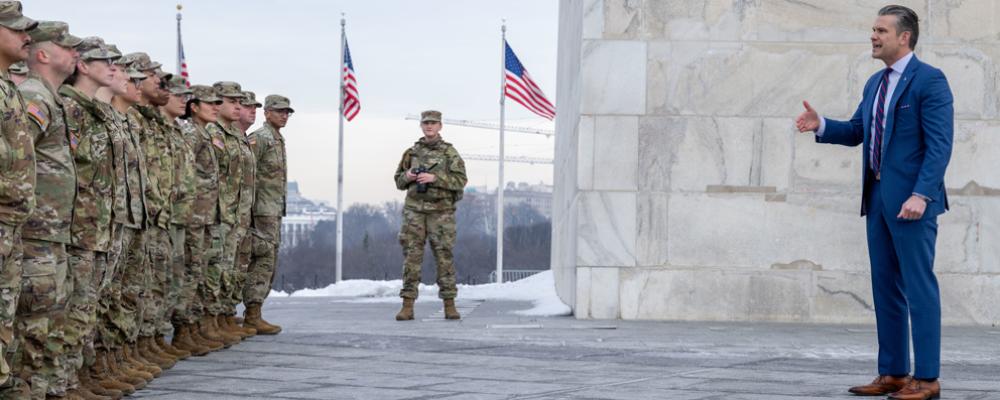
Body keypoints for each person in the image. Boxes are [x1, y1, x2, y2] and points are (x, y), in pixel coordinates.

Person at [795, 5, 953, 400]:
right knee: (885, 287)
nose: (873, 36)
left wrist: (922, 194)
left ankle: (928, 378)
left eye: (881, 30)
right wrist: (823, 125)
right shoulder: (875, 84)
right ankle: (894, 373)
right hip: (878, 196)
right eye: (872, 29)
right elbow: (858, 131)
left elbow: (939, 146)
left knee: (919, 288)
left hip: (913, 201)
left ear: (905, 37)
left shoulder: (929, 81)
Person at [12, 20, 80, 400]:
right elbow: (18, 157)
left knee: (50, 315)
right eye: (66, 46)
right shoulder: (35, 97)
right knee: (33, 320)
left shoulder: (50, 97)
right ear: (42, 53)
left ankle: (45, 389)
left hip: (51, 229)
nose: (75, 54)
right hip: (36, 230)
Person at [58, 36, 122, 399]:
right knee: (74, 306)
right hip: (76, 225)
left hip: (97, 223)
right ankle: (64, 384)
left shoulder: (94, 109)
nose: (113, 67)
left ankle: (79, 378)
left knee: (88, 305)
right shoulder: (72, 108)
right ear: (83, 65)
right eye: (104, 60)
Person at [392, 110, 467, 321]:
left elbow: (460, 181)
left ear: (440, 126)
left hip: (441, 212)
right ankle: (407, 305)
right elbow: (398, 181)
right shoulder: (411, 153)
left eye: (433, 123)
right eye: (426, 123)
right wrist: (408, 176)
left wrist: (435, 177)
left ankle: (449, 304)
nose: (429, 127)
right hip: (414, 212)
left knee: (444, 257)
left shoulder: (449, 153)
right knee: (411, 257)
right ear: (421, 126)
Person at [174, 84, 225, 355]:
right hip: (193, 214)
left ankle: (193, 327)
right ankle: (183, 330)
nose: (216, 107)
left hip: (205, 214)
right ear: (193, 106)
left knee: (200, 270)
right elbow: (185, 172)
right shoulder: (190, 133)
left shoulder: (204, 134)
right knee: (191, 270)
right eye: (210, 103)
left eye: (218, 103)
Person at [0, 2, 35, 395]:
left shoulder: (9, 86)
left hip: (11, 221)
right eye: (15, 29)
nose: (26, 36)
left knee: (5, 311)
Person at [243, 94, 293, 334]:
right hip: (261, 211)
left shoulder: (276, 139)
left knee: (269, 262)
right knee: (262, 262)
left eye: (287, 112)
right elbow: (247, 173)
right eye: (279, 111)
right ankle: (252, 313)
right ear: (268, 113)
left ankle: (256, 311)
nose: (284, 115)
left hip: (272, 210)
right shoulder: (260, 139)